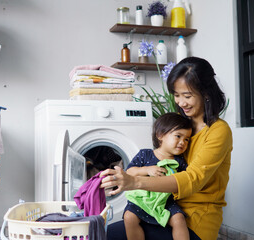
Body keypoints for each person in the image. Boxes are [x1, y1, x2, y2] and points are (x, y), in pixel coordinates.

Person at [100, 57, 233, 240]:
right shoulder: (181, 126)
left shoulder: (218, 131)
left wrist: (134, 182)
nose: (181, 102)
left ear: (206, 93)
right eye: (176, 95)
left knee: (109, 235)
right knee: (104, 230)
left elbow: (191, 179)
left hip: (195, 220)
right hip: (161, 210)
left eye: (187, 96)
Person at [124, 112, 192, 240]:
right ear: (160, 135)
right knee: (129, 217)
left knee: (179, 219)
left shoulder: (179, 162)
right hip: (141, 200)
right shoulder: (145, 154)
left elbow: (186, 181)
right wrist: (147, 170)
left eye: (187, 139)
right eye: (178, 136)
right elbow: (129, 172)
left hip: (165, 202)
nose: (182, 142)